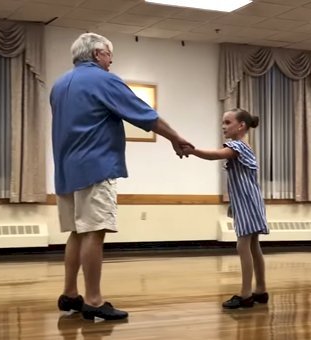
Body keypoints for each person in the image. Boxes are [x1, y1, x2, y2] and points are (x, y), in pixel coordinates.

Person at [50, 32, 193, 321]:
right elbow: (143, 114)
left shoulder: (59, 84)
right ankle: (92, 300)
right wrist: (175, 137)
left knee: (76, 232)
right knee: (94, 231)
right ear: (96, 53)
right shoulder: (103, 79)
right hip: (95, 166)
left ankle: (70, 294)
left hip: (65, 168)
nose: (111, 61)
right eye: (108, 55)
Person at [182, 108, 269, 309]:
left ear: (241, 126)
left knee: (243, 245)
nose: (223, 126)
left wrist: (192, 150)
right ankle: (260, 290)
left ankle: (246, 294)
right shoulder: (244, 145)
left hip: (248, 200)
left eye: (228, 122)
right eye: (223, 122)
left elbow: (215, 155)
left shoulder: (237, 145)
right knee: (253, 245)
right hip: (250, 199)